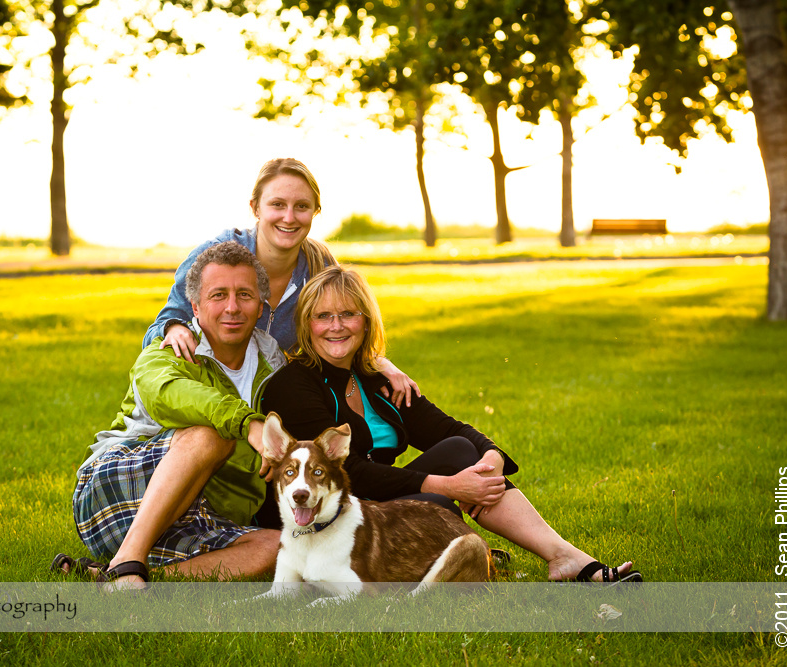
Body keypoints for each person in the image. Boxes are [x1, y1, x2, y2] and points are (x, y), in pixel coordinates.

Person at [260, 266, 642, 584]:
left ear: (366, 320)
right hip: (328, 515)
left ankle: (563, 557)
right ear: (307, 324)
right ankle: (468, 562)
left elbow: (445, 428)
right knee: (438, 503)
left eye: (348, 314)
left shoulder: (376, 379)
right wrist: (447, 485)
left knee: (461, 450)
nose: (336, 326)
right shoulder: (295, 386)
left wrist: (491, 454)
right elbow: (350, 473)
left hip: (378, 506)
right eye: (323, 316)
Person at [60, 242, 286, 588]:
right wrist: (247, 423)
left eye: (244, 294)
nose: (232, 307)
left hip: (200, 513)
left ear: (261, 306)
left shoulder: (275, 364)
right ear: (194, 306)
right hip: (113, 497)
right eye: (218, 295)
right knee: (211, 434)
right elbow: (167, 394)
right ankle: (127, 560)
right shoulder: (166, 350)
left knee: (280, 548)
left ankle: (121, 580)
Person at [143, 157, 420, 408]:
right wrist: (175, 327)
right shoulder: (215, 257)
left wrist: (382, 364)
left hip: (278, 399)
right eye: (277, 204)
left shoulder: (320, 266)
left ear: (314, 212)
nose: (289, 218)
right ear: (255, 208)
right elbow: (155, 334)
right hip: (208, 398)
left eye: (301, 207)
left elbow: (344, 331)